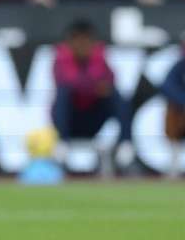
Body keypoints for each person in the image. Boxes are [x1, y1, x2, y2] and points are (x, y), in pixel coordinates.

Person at [51, 20, 135, 170]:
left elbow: (110, 79)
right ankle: (62, 142)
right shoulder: (61, 56)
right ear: (71, 42)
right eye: (79, 40)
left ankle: (125, 143)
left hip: (94, 118)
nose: (83, 45)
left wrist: (95, 86)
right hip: (71, 119)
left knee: (117, 96)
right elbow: (67, 81)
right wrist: (94, 86)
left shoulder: (100, 55)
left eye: (87, 41)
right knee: (63, 94)